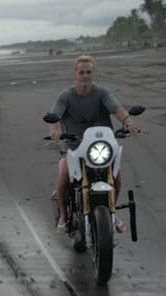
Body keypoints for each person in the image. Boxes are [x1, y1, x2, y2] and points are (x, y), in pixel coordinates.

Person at [46, 55, 136, 234]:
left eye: (88, 72)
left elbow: (117, 109)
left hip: (101, 146)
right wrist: (54, 131)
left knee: (116, 174)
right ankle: (64, 215)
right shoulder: (65, 96)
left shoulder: (102, 93)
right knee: (64, 171)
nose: (85, 76)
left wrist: (128, 122)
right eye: (81, 72)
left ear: (93, 73)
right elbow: (53, 116)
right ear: (76, 74)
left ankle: (113, 210)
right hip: (74, 148)